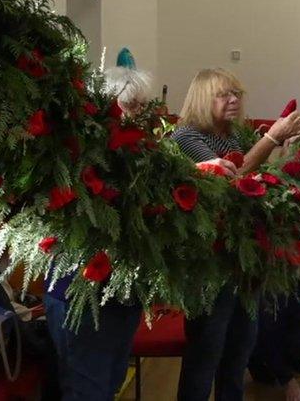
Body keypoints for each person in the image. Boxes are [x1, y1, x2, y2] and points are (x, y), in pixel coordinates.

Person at [44, 48, 213, 401]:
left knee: (110, 379)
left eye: (143, 106)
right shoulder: (85, 154)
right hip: (81, 291)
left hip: (120, 293)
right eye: (133, 106)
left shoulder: (138, 151)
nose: (142, 115)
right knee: (86, 387)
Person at [173, 68, 300, 401]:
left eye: (237, 94)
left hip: (244, 255)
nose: (234, 100)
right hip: (209, 259)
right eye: (224, 94)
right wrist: (272, 137)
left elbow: (261, 179)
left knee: (239, 349)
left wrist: (285, 149)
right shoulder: (187, 136)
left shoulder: (232, 135)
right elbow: (231, 175)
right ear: (203, 98)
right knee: (207, 350)